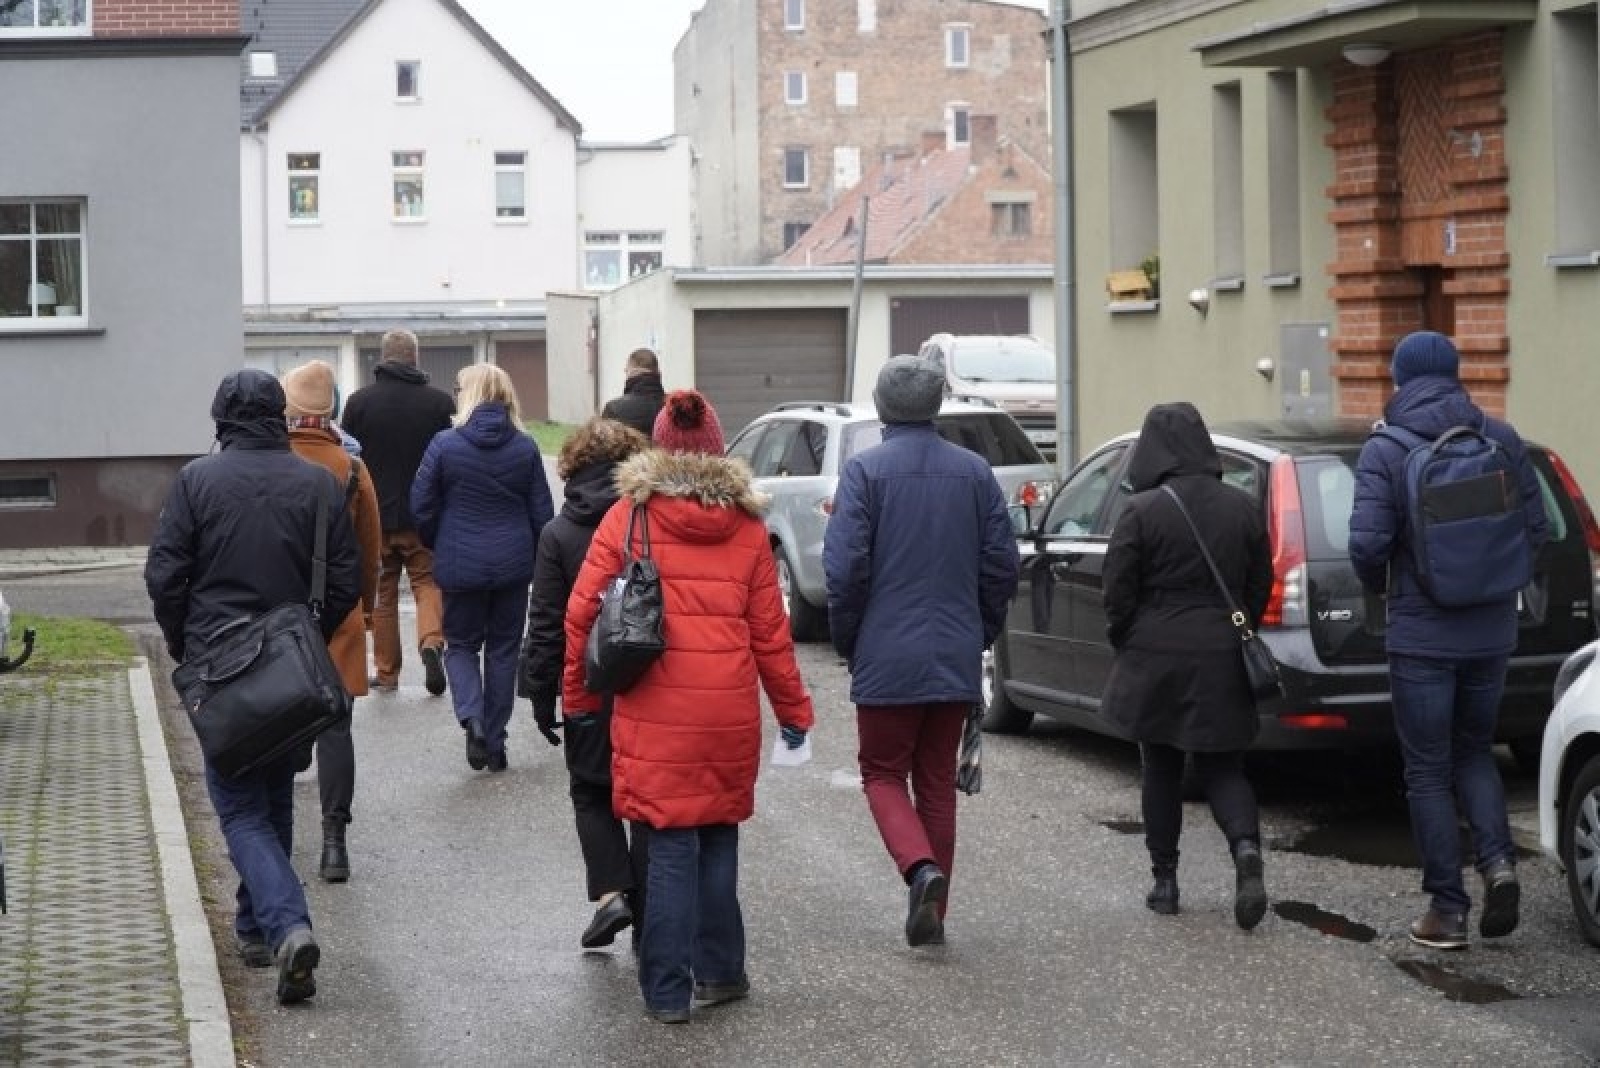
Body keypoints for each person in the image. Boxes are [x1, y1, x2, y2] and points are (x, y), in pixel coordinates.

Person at [562, 389, 814, 1023]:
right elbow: (771, 636)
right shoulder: (750, 528)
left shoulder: (629, 518)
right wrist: (794, 714)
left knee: (669, 842)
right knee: (718, 834)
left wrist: (579, 696)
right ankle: (723, 971)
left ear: (660, 449)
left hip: (654, 713)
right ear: (717, 450)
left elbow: (581, 614)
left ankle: (669, 993)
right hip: (727, 716)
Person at [145, 368, 360, 1005]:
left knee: (239, 809)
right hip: (294, 669)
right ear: (279, 416)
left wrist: (186, 640)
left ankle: (288, 925)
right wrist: (309, 634)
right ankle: (257, 929)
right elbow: (346, 580)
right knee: (270, 800)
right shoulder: (320, 482)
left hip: (221, 667)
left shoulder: (196, 479)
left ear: (220, 417)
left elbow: (164, 576)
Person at [1349, 331, 1547, 950]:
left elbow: (1366, 544)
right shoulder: (1501, 438)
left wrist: (1385, 592)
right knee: (1474, 751)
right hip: (1491, 631)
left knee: (1428, 770)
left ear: (1401, 377)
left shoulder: (1386, 447)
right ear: (1455, 374)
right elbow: (1534, 530)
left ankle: (1447, 908)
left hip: (1422, 635)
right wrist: (1490, 584)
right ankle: (1499, 863)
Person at [822, 353, 1020, 948]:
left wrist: (850, 637)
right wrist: (979, 630)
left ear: (883, 407)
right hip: (954, 654)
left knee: (882, 773)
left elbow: (844, 569)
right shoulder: (975, 473)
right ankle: (936, 910)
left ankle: (920, 871)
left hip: (886, 653)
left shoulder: (864, 473)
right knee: (934, 781)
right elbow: (1001, 567)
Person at [1099, 402, 1274, 930]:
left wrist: (1127, 638)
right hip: (1222, 650)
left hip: (1156, 653)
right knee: (1224, 765)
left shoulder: (1141, 510)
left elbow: (1118, 590)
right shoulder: (1242, 508)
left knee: (1161, 765)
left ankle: (1166, 882)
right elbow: (1258, 584)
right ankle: (1245, 850)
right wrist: (1238, 627)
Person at [517, 416, 652, 950]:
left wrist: (541, 696)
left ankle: (613, 893)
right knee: (642, 797)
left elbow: (547, 621)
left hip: (589, 684)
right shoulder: (646, 522)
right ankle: (651, 907)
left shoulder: (558, 532)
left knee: (590, 790)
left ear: (571, 467)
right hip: (647, 683)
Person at [412, 364, 554, 772]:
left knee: (461, 645)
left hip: (459, 563)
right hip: (512, 565)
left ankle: (471, 719)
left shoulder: (444, 445)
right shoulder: (525, 447)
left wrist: (438, 541)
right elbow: (542, 513)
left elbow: (421, 505)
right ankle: (495, 740)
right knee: (504, 649)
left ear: (468, 395)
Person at [282, 360, 383, 883]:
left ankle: (274, 847)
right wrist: (363, 610)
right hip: (337, 616)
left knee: (279, 720)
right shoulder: (353, 470)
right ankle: (334, 842)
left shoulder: (272, 461)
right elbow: (370, 554)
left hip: (278, 620)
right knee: (336, 727)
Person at [340, 329, 455, 696]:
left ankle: (387, 673)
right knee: (426, 582)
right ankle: (431, 642)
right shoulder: (438, 404)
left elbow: (349, 458)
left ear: (382, 359)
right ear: (415, 358)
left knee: (384, 593)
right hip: (423, 515)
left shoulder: (359, 403)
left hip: (375, 514)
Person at [600, 347, 666, 438]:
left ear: (631, 372)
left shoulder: (613, 409)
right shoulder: (675, 407)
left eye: (626, 371)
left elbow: (602, 447)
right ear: (658, 373)